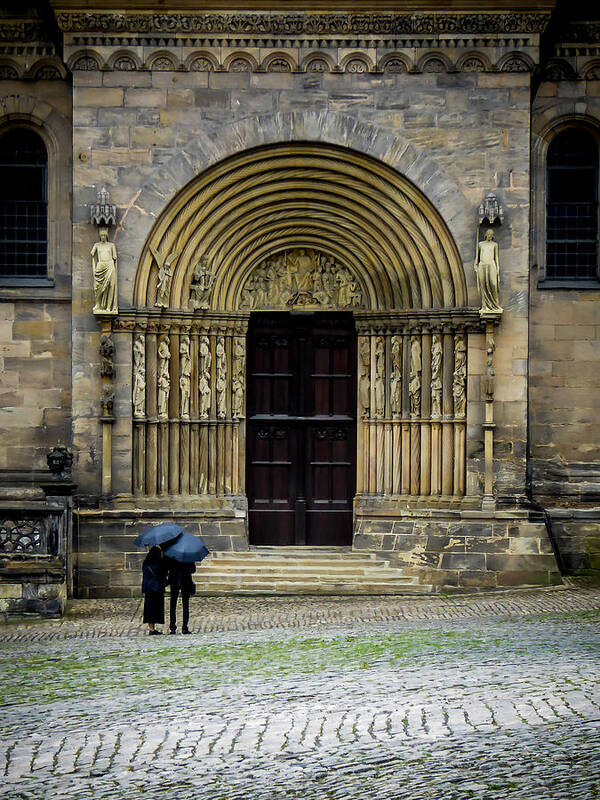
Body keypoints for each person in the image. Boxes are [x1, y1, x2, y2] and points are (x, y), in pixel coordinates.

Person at [142, 545, 168, 635]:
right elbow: (164, 575)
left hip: (148, 589)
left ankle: (151, 628)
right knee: (155, 608)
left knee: (149, 609)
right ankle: (153, 629)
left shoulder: (145, 563)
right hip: (157, 589)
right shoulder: (159, 564)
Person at [166, 559, 196, 634]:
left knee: (173, 605)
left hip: (174, 581)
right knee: (185, 605)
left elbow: (168, 569)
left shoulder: (172, 556)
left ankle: (172, 627)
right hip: (185, 581)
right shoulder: (188, 557)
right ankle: (184, 627)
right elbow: (193, 570)